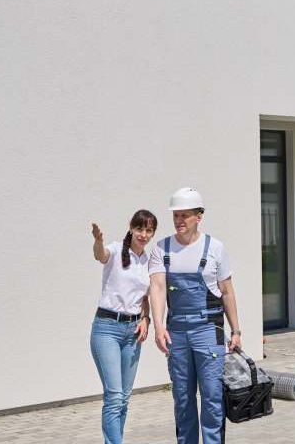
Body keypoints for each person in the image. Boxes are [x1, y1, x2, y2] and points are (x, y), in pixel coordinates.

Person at [149, 187, 243, 444]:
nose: (179, 221)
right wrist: (158, 327)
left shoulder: (215, 248)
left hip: (208, 330)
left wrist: (235, 331)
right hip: (176, 330)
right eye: (176, 216)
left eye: (185, 216)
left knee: (212, 396)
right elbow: (157, 288)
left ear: (199, 216)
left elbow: (227, 291)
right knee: (182, 397)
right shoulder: (162, 248)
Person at [90, 210, 158, 444]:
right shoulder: (117, 250)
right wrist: (98, 242)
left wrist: (146, 319)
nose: (144, 234)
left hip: (132, 333)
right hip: (107, 328)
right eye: (140, 229)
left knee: (124, 398)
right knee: (114, 396)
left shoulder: (148, 261)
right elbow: (101, 255)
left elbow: (146, 299)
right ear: (131, 227)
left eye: (149, 230)